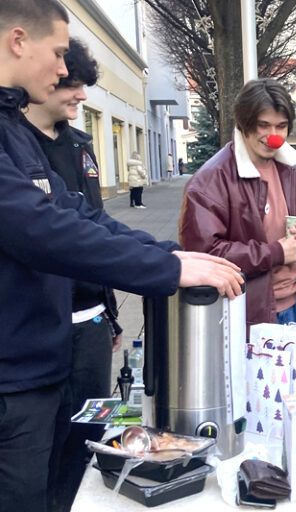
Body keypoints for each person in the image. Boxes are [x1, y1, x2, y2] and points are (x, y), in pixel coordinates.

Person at [0, 3, 244, 510]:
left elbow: (76, 213)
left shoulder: (13, 130)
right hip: (12, 378)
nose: (64, 69)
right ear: (18, 41)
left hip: (36, 368)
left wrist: (171, 255)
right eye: (58, 53)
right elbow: (37, 228)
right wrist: (166, 269)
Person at [21, 37, 124, 511]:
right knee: (38, 451)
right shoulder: (18, 150)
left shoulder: (82, 147)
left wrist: (110, 312)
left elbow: (96, 230)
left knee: (88, 436)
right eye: (73, 85)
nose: (82, 96)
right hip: (41, 331)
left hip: (91, 325)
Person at [180, 79, 296, 330]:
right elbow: (204, 254)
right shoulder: (211, 179)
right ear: (244, 124)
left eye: (281, 126)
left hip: (295, 305)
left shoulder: (289, 169)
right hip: (245, 313)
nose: (274, 136)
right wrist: (275, 253)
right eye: (263, 125)